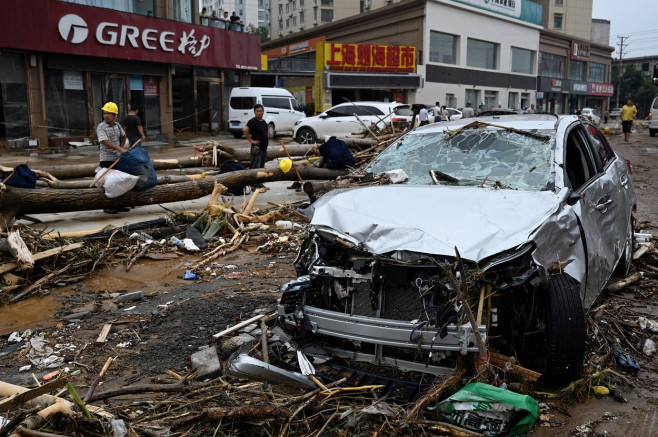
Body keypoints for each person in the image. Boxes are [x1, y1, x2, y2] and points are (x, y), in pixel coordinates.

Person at [96, 102, 129, 213]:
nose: (106, 115)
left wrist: (122, 147)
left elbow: (124, 135)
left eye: (109, 113)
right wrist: (119, 149)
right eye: (104, 113)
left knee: (118, 182)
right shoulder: (101, 127)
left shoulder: (118, 125)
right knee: (107, 183)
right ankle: (107, 206)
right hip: (106, 158)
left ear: (115, 115)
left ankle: (118, 204)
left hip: (117, 158)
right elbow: (104, 142)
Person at [243, 104, 269, 188]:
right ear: (254, 112)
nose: (259, 112)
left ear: (263, 112)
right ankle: (252, 184)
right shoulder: (253, 121)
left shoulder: (264, 122)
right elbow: (245, 129)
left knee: (261, 168)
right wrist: (251, 140)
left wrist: (266, 138)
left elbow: (266, 132)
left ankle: (260, 184)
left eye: (260, 111)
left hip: (264, 149)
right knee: (255, 168)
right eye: (257, 111)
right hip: (256, 149)